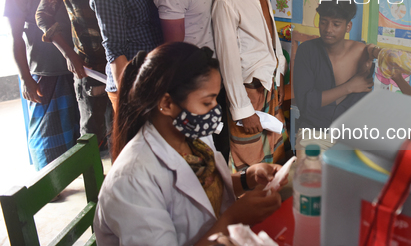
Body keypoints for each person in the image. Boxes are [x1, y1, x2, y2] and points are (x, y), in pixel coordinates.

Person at [93, 42, 284, 246]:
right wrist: (233, 218)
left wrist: (248, 178)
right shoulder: (132, 180)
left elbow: (203, 186)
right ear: (167, 104)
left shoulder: (190, 137)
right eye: (206, 102)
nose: (214, 110)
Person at [154, 0, 229, 160]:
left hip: (215, 72)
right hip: (192, 82)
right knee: (198, 153)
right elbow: (174, 50)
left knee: (220, 148)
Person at [4, 0, 79, 170]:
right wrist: (25, 77)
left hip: (81, 65)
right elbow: (16, 36)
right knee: (48, 140)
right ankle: (50, 185)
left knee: (84, 133)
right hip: (47, 68)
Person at [212, 0, 287, 171]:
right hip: (249, 93)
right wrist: (243, 111)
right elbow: (229, 63)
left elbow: (271, 38)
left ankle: (273, 207)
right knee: (251, 164)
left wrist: (281, 72)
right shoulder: (227, 2)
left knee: (275, 156)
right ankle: (250, 207)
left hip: (271, 86)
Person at [36, 0, 116, 150]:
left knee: (119, 131)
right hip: (89, 68)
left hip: (119, 65)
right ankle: (94, 183)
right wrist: (69, 54)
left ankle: (118, 183)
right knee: (91, 133)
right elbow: (42, 15)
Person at [293, 0, 373, 153]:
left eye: (336, 24)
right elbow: (305, 102)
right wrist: (349, 87)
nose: (328, 29)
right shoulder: (307, 51)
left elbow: (365, 102)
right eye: (323, 22)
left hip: (351, 135)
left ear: (348, 26)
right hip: (314, 131)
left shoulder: (362, 52)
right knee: (309, 173)